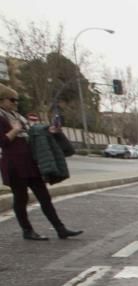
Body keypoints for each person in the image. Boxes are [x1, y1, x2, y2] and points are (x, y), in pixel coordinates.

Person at [0, 85, 81, 240]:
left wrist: (49, 131)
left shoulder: (17, 116)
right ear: (2, 100)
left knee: (44, 196)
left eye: (17, 100)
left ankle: (60, 229)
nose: (15, 103)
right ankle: (27, 231)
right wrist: (15, 130)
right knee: (21, 198)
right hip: (14, 165)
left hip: (30, 162)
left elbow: (32, 134)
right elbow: (3, 142)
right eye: (12, 100)